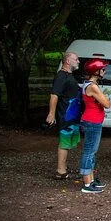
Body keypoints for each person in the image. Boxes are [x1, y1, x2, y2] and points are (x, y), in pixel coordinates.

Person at [46, 51, 81, 180]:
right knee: (64, 142)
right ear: (67, 61)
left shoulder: (69, 75)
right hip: (65, 115)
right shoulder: (61, 76)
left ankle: (64, 167)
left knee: (68, 142)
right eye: (76, 59)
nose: (78, 61)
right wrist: (51, 113)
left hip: (72, 115)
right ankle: (60, 170)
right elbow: (54, 95)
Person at [79, 58, 111, 193]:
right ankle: (87, 184)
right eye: (102, 69)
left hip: (91, 120)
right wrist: (104, 99)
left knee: (92, 151)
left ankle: (91, 180)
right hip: (92, 121)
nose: (104, 71)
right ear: (95, 71)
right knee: (89, 152)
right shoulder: (93, 86)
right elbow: (107, 104)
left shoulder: (88, 84)